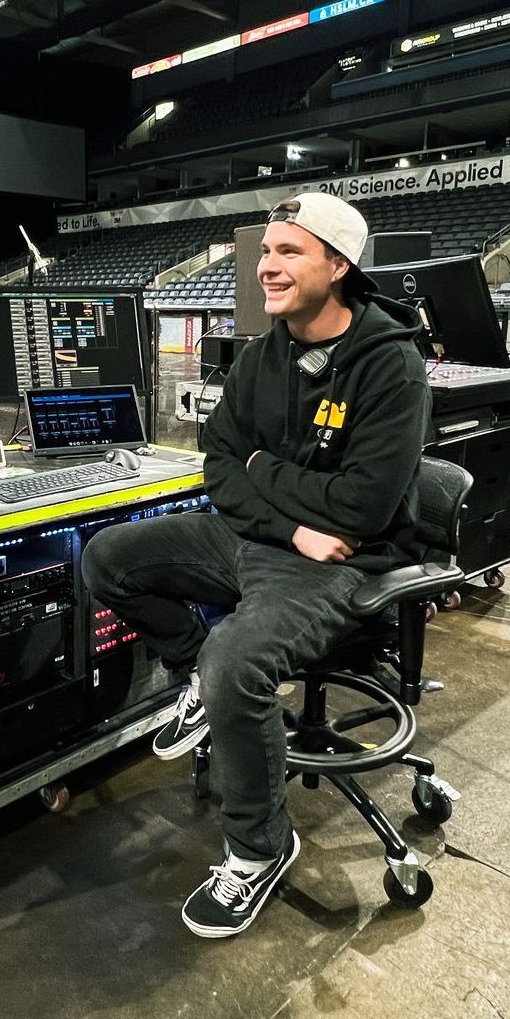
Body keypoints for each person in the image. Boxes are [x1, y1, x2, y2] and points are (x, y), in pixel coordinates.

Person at [82, 193, 430, 939]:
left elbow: (362, 507)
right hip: (271, 540)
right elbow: (217, 463)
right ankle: (195, 682)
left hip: (343, 561)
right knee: (107, 558)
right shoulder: (262, 352)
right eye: (265, 252)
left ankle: (259, 850)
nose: (267, 267)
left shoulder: (391, 366)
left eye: (288, 252)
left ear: (337, 267)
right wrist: (290, 518)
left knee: (234, 655)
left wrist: (264, 472)